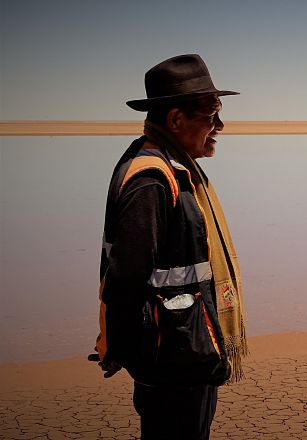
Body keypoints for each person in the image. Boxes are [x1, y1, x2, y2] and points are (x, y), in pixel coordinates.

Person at [89, 54, 248, 440]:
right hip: (173, 358)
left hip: (186, 349)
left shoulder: (172, 167)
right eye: (211, 116)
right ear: (176, 119)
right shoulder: (152, 179)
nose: (220, 126)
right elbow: (126, 277)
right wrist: (118, 346)